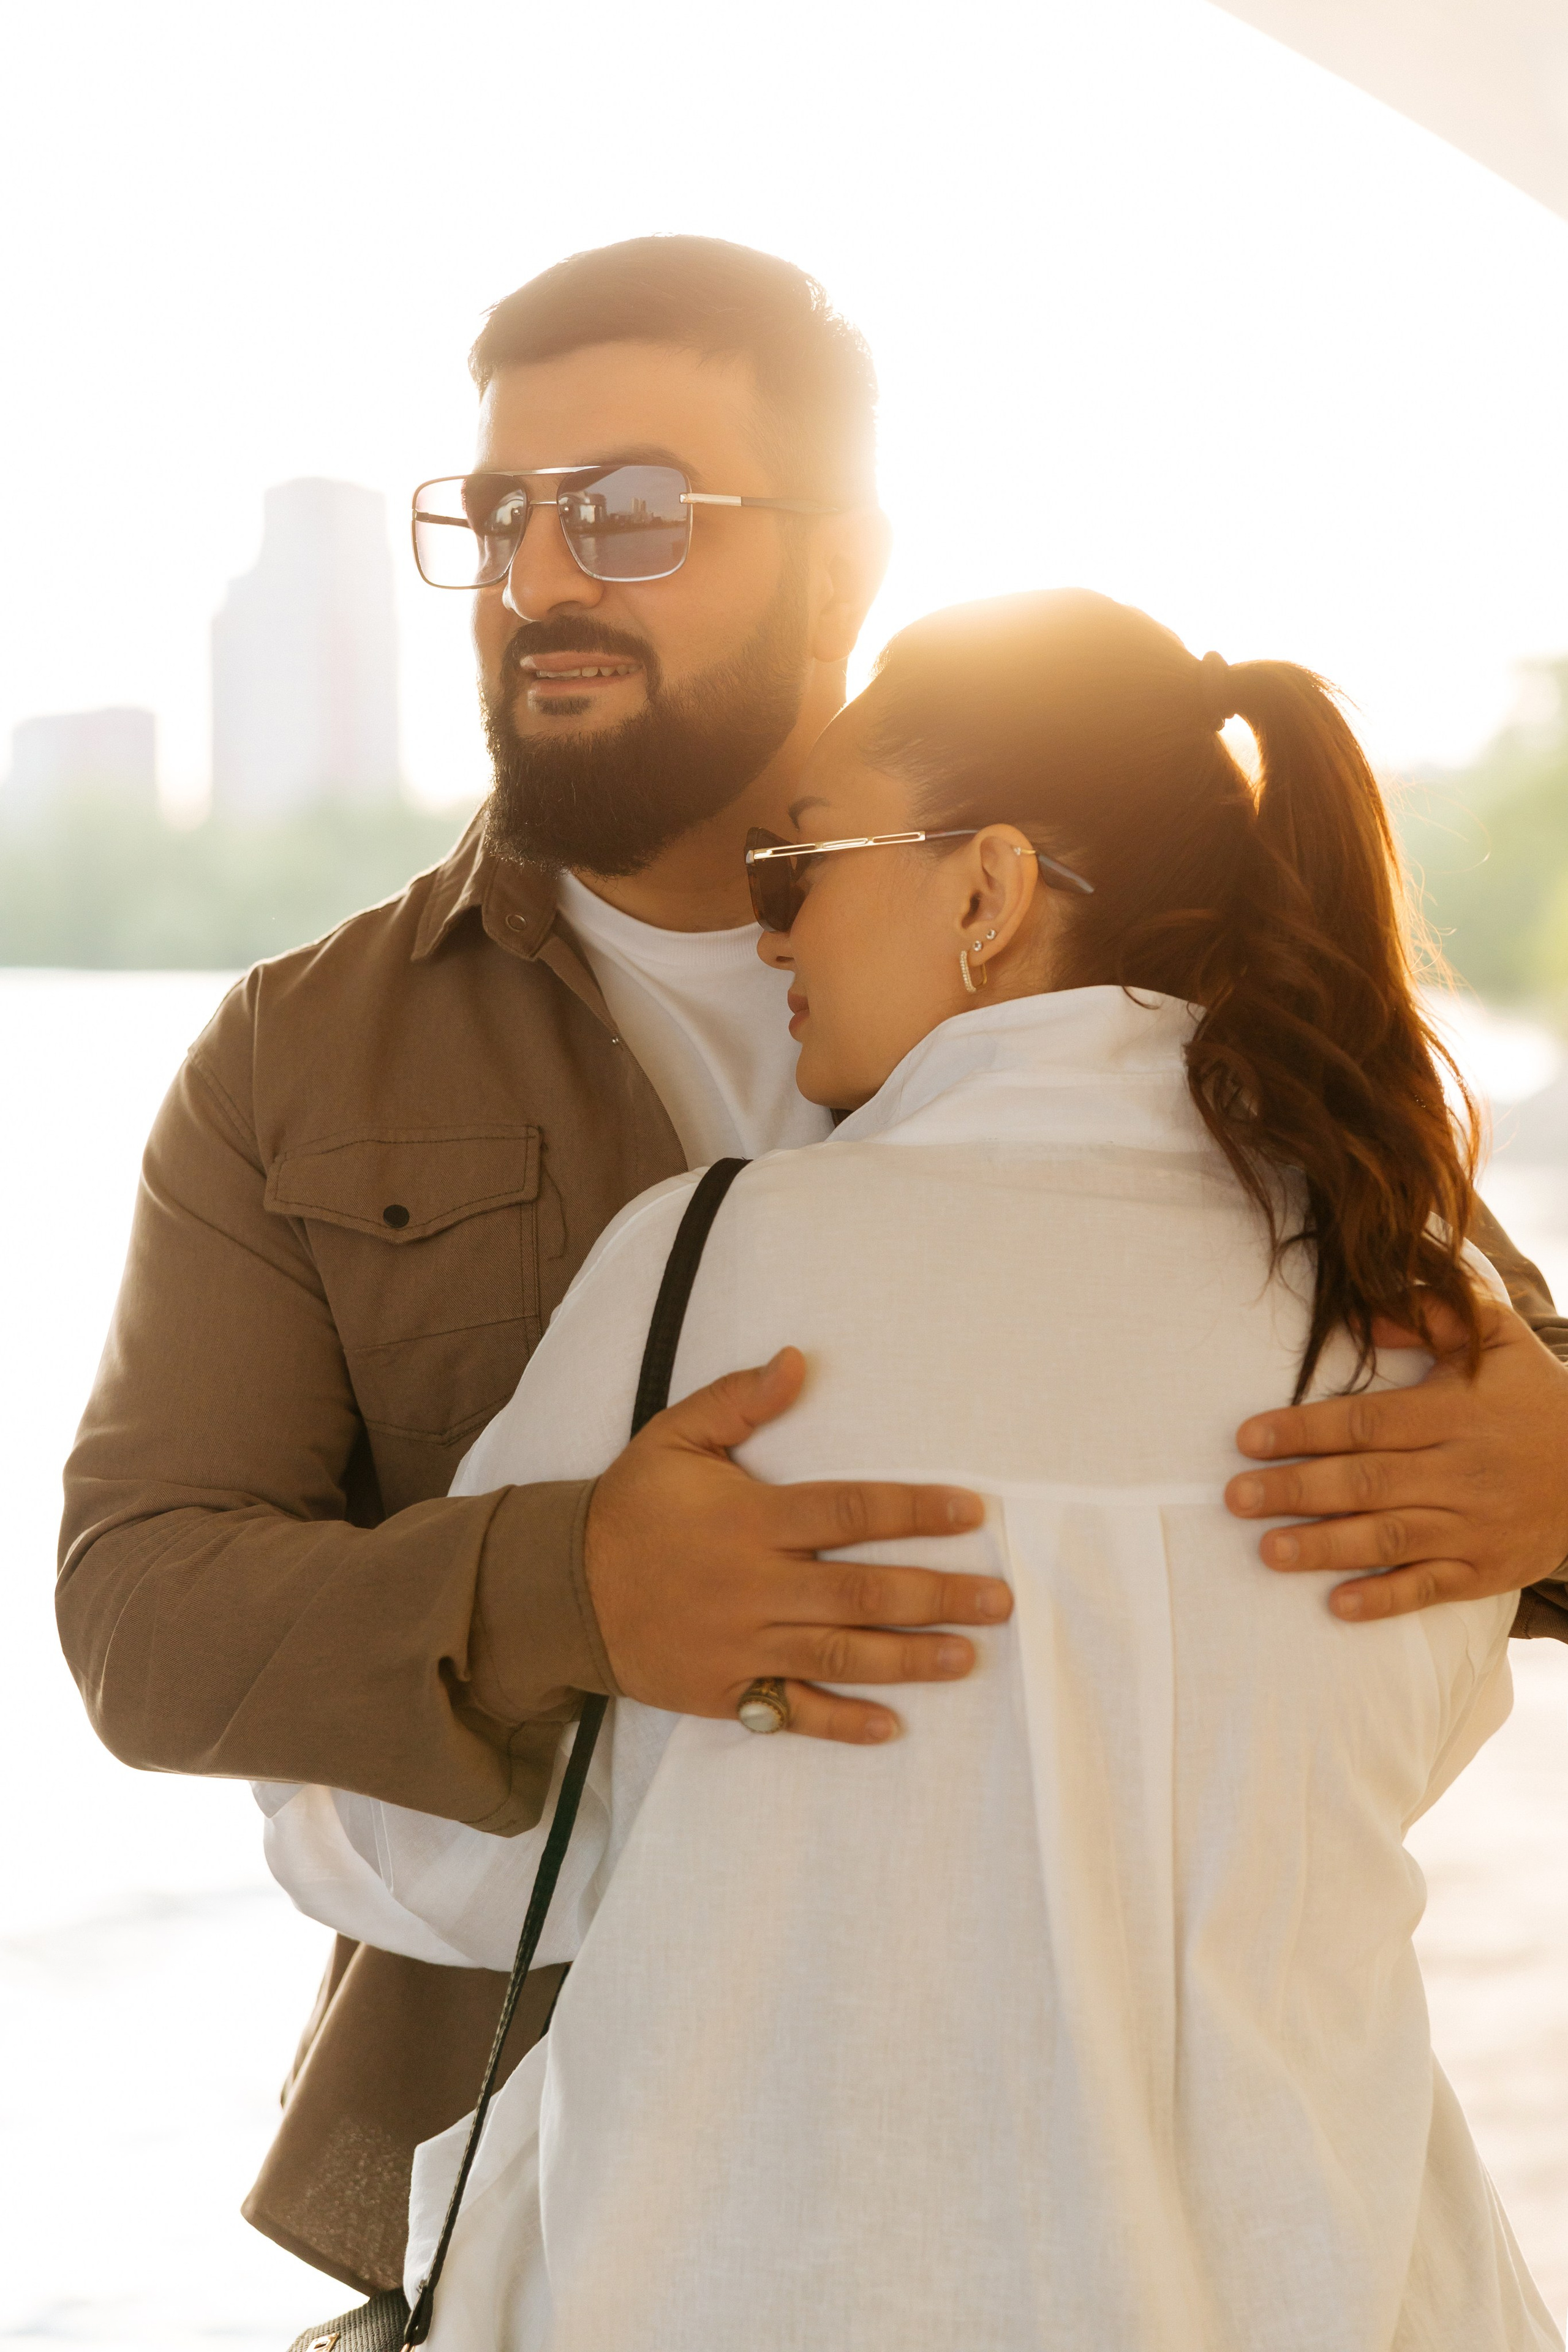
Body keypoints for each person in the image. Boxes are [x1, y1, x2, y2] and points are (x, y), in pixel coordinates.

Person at [56, 235, 1568, 2297]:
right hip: (591, 2196)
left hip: (1161, 2201)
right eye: (498, 513)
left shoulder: (1183, 1006)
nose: (542, 576)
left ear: (847, 565)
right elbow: (141, 1615)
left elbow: (1451, 1402)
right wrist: (567, 1591)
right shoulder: (303, 1055)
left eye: (635, 512)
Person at [268, 590, 1561, 2350]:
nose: (765, 921)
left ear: (988, 887)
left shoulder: (715, 1266)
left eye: (803, 863)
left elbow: (435, 1858)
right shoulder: (1433, 1312)